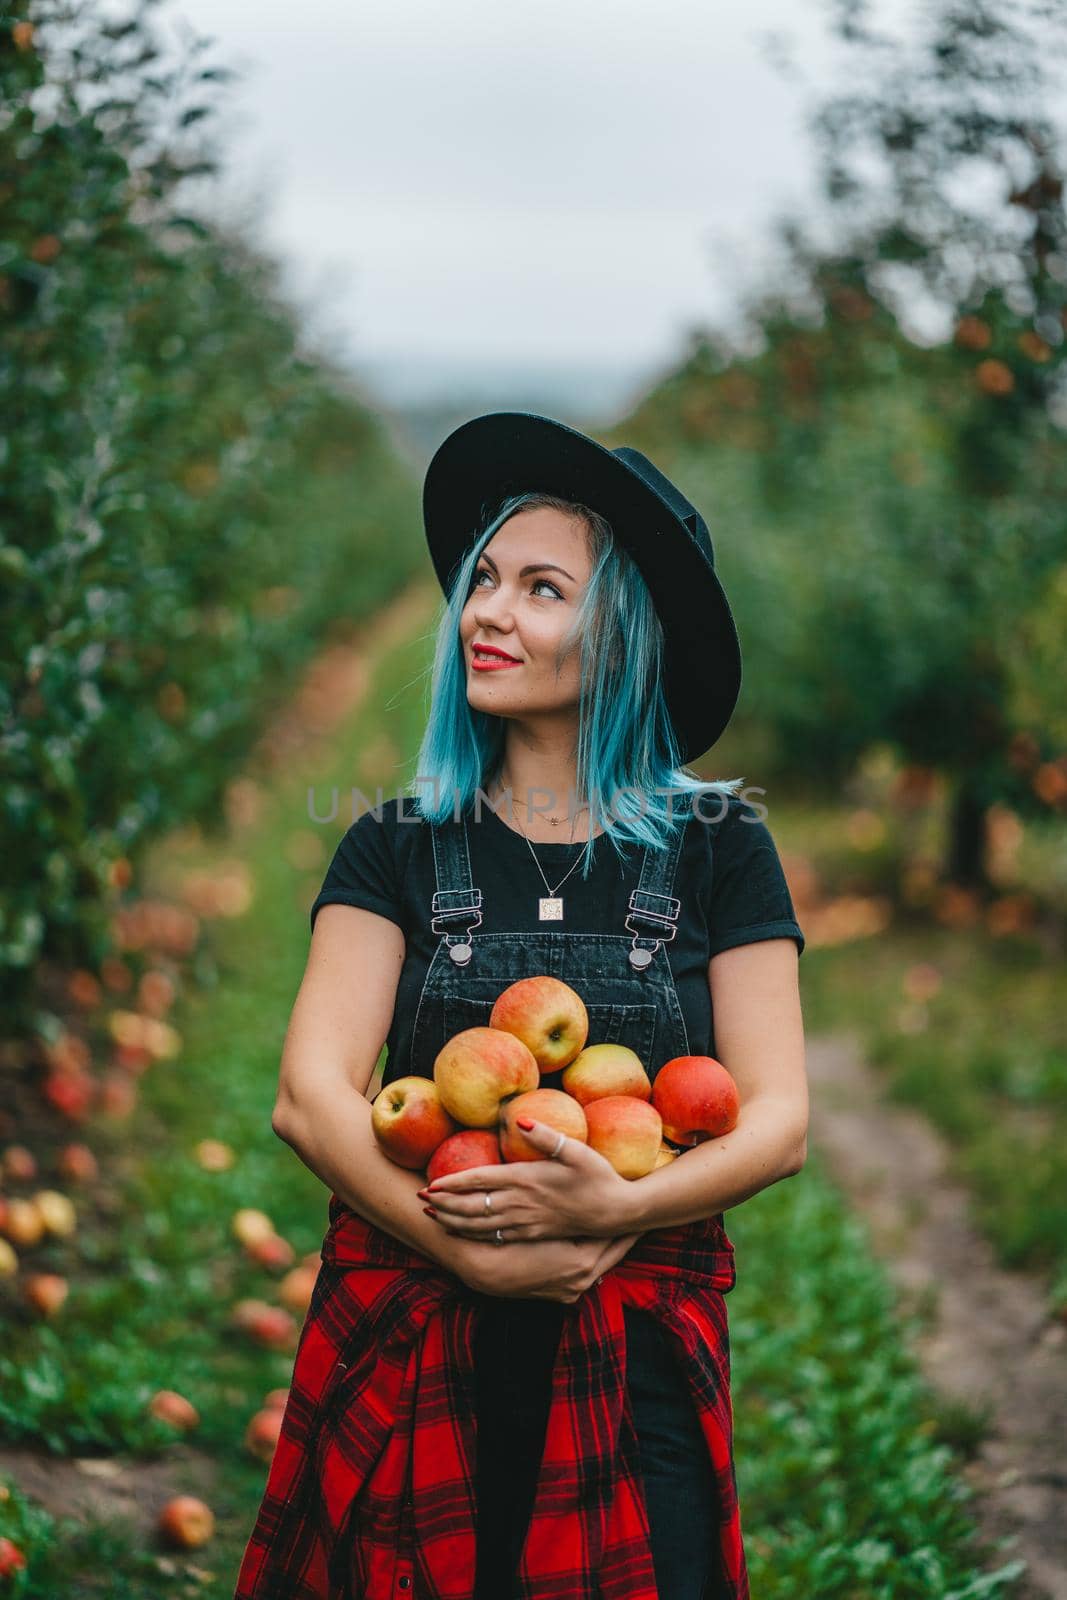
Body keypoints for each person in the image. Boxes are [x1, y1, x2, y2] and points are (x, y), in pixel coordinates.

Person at [233, 411, 808, 1600]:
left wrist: (616, 1211)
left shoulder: (717, 850)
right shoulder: (394, 846)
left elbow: (778, 1117)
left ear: (622, 635)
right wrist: (465, 1251)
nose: (486, 611)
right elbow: (308, 1097)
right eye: (484, 580)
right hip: (413, 1324)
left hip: (634, 1333)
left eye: (540, 588)